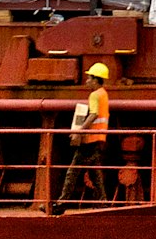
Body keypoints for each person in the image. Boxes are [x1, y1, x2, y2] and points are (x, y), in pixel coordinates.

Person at [57, 62, 111, 209]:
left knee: (72, 172)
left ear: (95, 79)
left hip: (89, 140)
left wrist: (79, 131)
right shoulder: (103, 94)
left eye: (89, 78)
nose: (86, 81)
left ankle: (62, 203)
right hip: (98, 137)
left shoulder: (94, 95)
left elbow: (93, 114)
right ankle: (103, 202)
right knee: (95, 173)